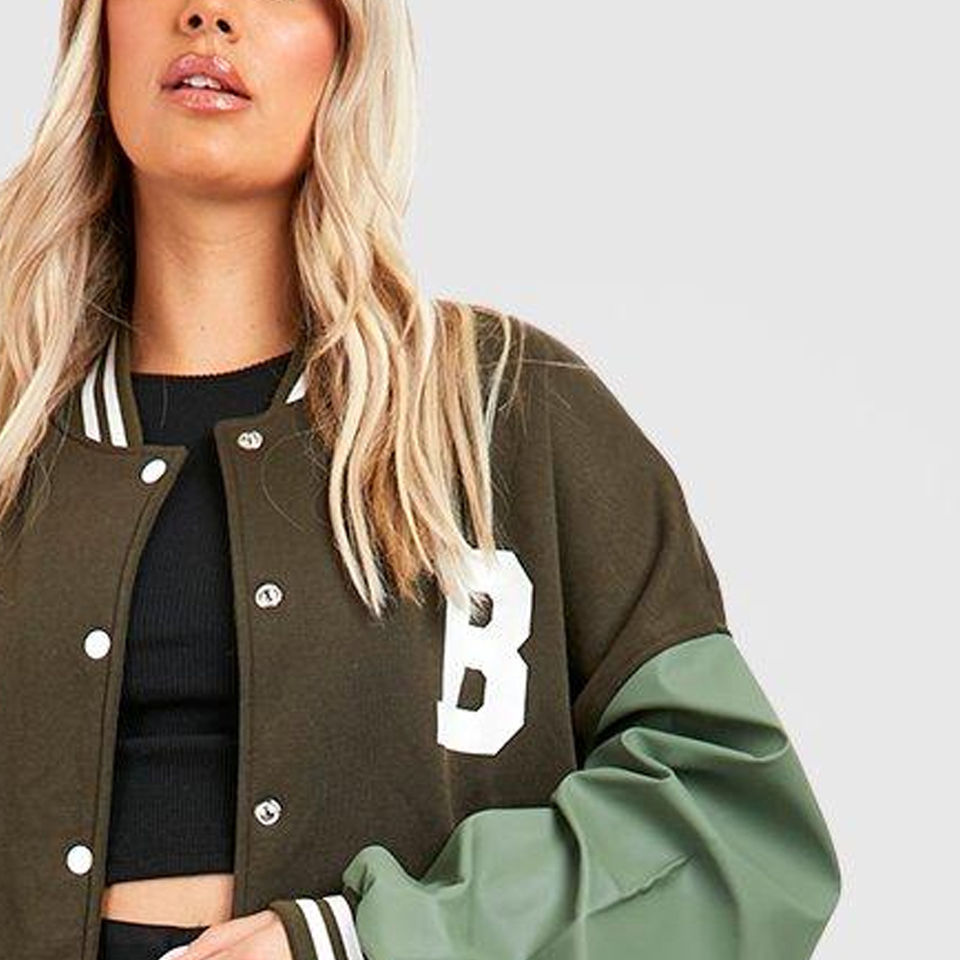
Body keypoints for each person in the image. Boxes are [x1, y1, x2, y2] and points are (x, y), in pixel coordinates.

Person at [0, 1, 842, 959]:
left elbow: (741, 833)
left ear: (350, 46)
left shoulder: (507, 412)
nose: (209, 13)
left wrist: (369, 940)